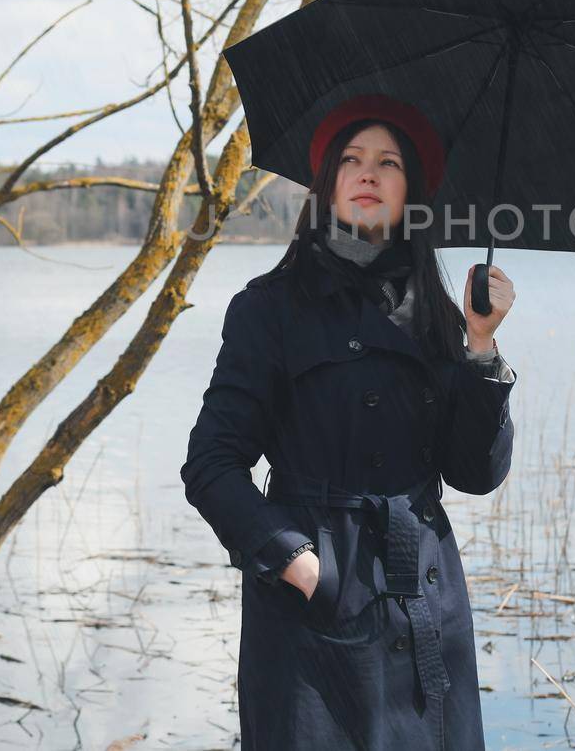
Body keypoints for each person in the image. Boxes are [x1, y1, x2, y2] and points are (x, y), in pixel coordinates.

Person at [180, 92, 517, 750]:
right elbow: (212, 463)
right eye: (353, 159)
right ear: (328, 183)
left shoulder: (440, 316)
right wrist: (295, 559)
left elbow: (475, 472)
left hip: (425, 599)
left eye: (389, 163)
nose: (369, 173)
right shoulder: (268, 309)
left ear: (408, 193)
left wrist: (482, 345)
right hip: (310, 614)